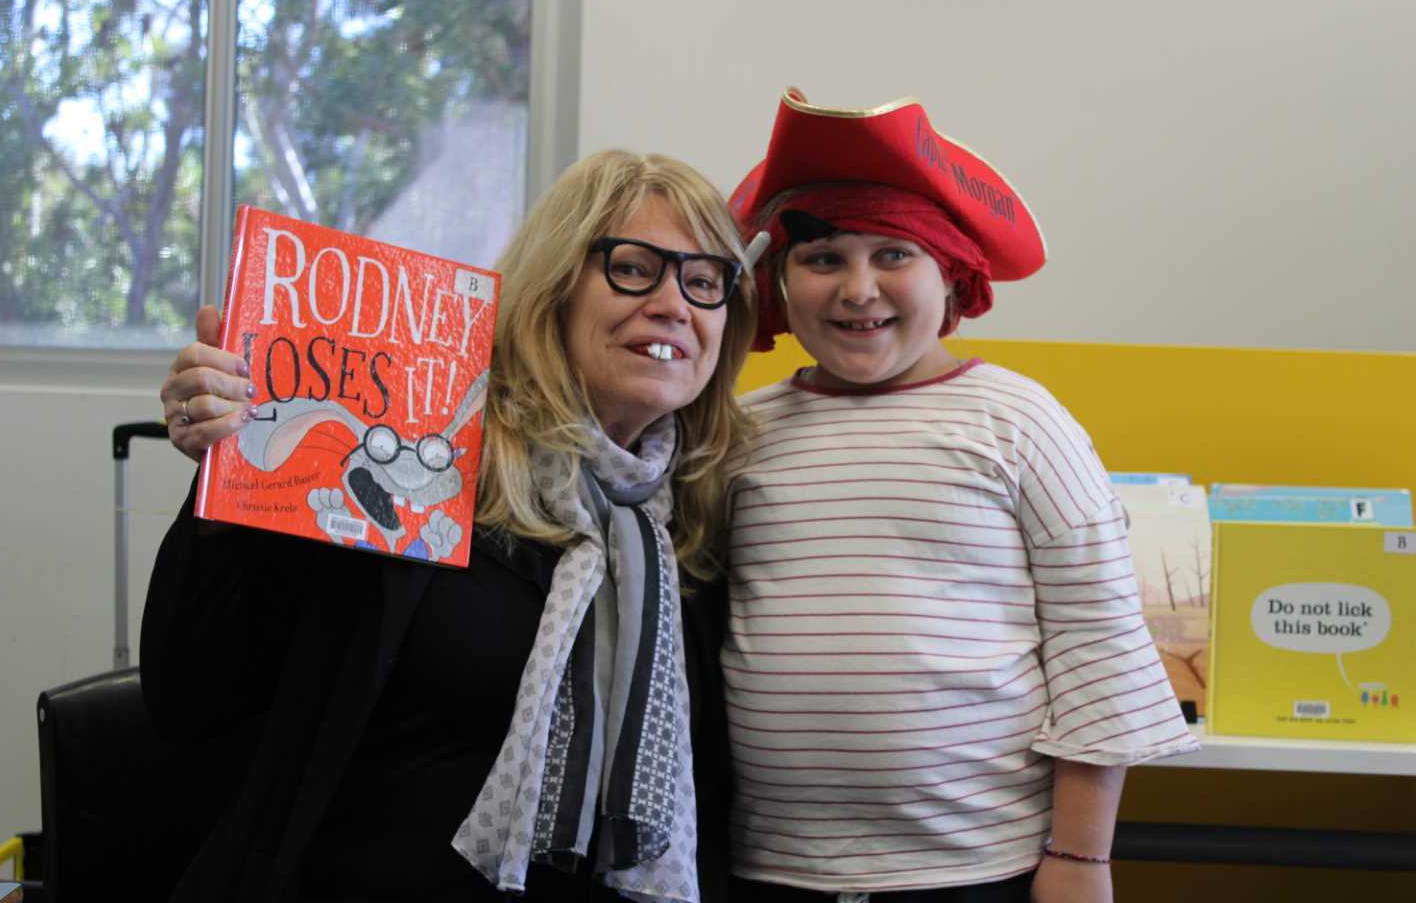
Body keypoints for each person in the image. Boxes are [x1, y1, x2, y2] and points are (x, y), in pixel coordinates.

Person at [143, 150, 759, 902]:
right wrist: (227, 472)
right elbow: (193, 692)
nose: (674, 304)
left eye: (703, 282)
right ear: (555, 289)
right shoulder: (412, 464)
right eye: (634, 267)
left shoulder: (690, 526)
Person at [719, 89, 1199, 902]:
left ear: (953, 276)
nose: (857, 289)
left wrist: (1082, 859)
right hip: (765, 868)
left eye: (894, 256)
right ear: (778, 282)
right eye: (823, 258)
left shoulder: (1020, 422)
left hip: (980, 868)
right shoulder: (737, 436)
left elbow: (1095, 645)